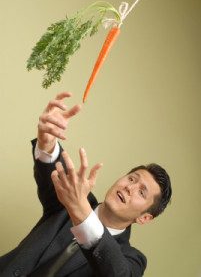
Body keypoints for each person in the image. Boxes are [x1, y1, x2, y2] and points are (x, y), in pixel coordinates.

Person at [0, 92, 172, 277]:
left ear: (144, 218)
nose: (129, 188)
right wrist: (47, 142)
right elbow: (55, 172)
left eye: (141, 192)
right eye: (132, 178)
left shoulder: (131, 259)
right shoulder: (74, 198)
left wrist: (80, 211)